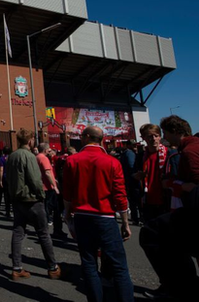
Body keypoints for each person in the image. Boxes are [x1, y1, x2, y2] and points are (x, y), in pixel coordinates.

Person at [63, 126, 133, 302]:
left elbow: (67, 193)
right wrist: (125, 222)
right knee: (119, 266)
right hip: (106, 217)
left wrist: (67, 213)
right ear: (101, 139)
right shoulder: (112, 162)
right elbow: (120, 195)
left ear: (86, 137)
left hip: (82, 217)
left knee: (89, 263)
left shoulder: (73, 160)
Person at [140, 115, 199, 300]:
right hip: (163, 203)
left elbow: (196, 183)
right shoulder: (186, 148)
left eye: (162, 133)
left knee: (151, 235)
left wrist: (180, 185)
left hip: (187, 209)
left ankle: (183, 287)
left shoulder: (187, 151)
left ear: (175, 132)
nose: (160, 137)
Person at [6, 129, 60, 281]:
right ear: (30, 141)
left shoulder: (12, 156)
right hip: (31, 199)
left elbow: (8, 178)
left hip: (17, 199)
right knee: (43, 233)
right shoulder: (29, 156)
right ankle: (52, 267)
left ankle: (16, 268)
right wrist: (41, 195)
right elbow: (36, 180)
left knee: (18, 232)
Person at [134, 124, 174, 222]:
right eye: (149, 136)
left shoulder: (170, 154)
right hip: (148, 200)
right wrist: (137, 176)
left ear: (160, 136)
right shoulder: (141, 156)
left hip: (166, 199)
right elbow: (133, 174)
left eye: (156, 135)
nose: (153, 139)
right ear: (143, 138)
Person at [36, 143, 59, 225]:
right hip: (47, 186)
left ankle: (45, 220)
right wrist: (54, 185)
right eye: (49, 149)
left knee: (45, 205)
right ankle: (47, 220)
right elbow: (47, 172)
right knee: (51, 205)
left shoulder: (37, 157)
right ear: (45, 150)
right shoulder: (43, 158)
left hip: (43, 184)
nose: (50, 150)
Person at [120, 139, 141, 225]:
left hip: (128, 180)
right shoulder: (130, 153)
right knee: (136, 200)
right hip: (133, 181)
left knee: (133, 201)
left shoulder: (126, 153)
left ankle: (134, 217)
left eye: (135, 145)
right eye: (133, 145)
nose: (135, 147)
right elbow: (131, 165)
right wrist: (136, 175)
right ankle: (137, 218)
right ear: (128, 145)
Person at [0, 146, 12, 217]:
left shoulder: (2, 158)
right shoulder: (12, 157)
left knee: (6, 195)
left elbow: (1, 169)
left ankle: (7, 211)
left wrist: (0, 180)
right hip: (13, 177)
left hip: (5, 177)